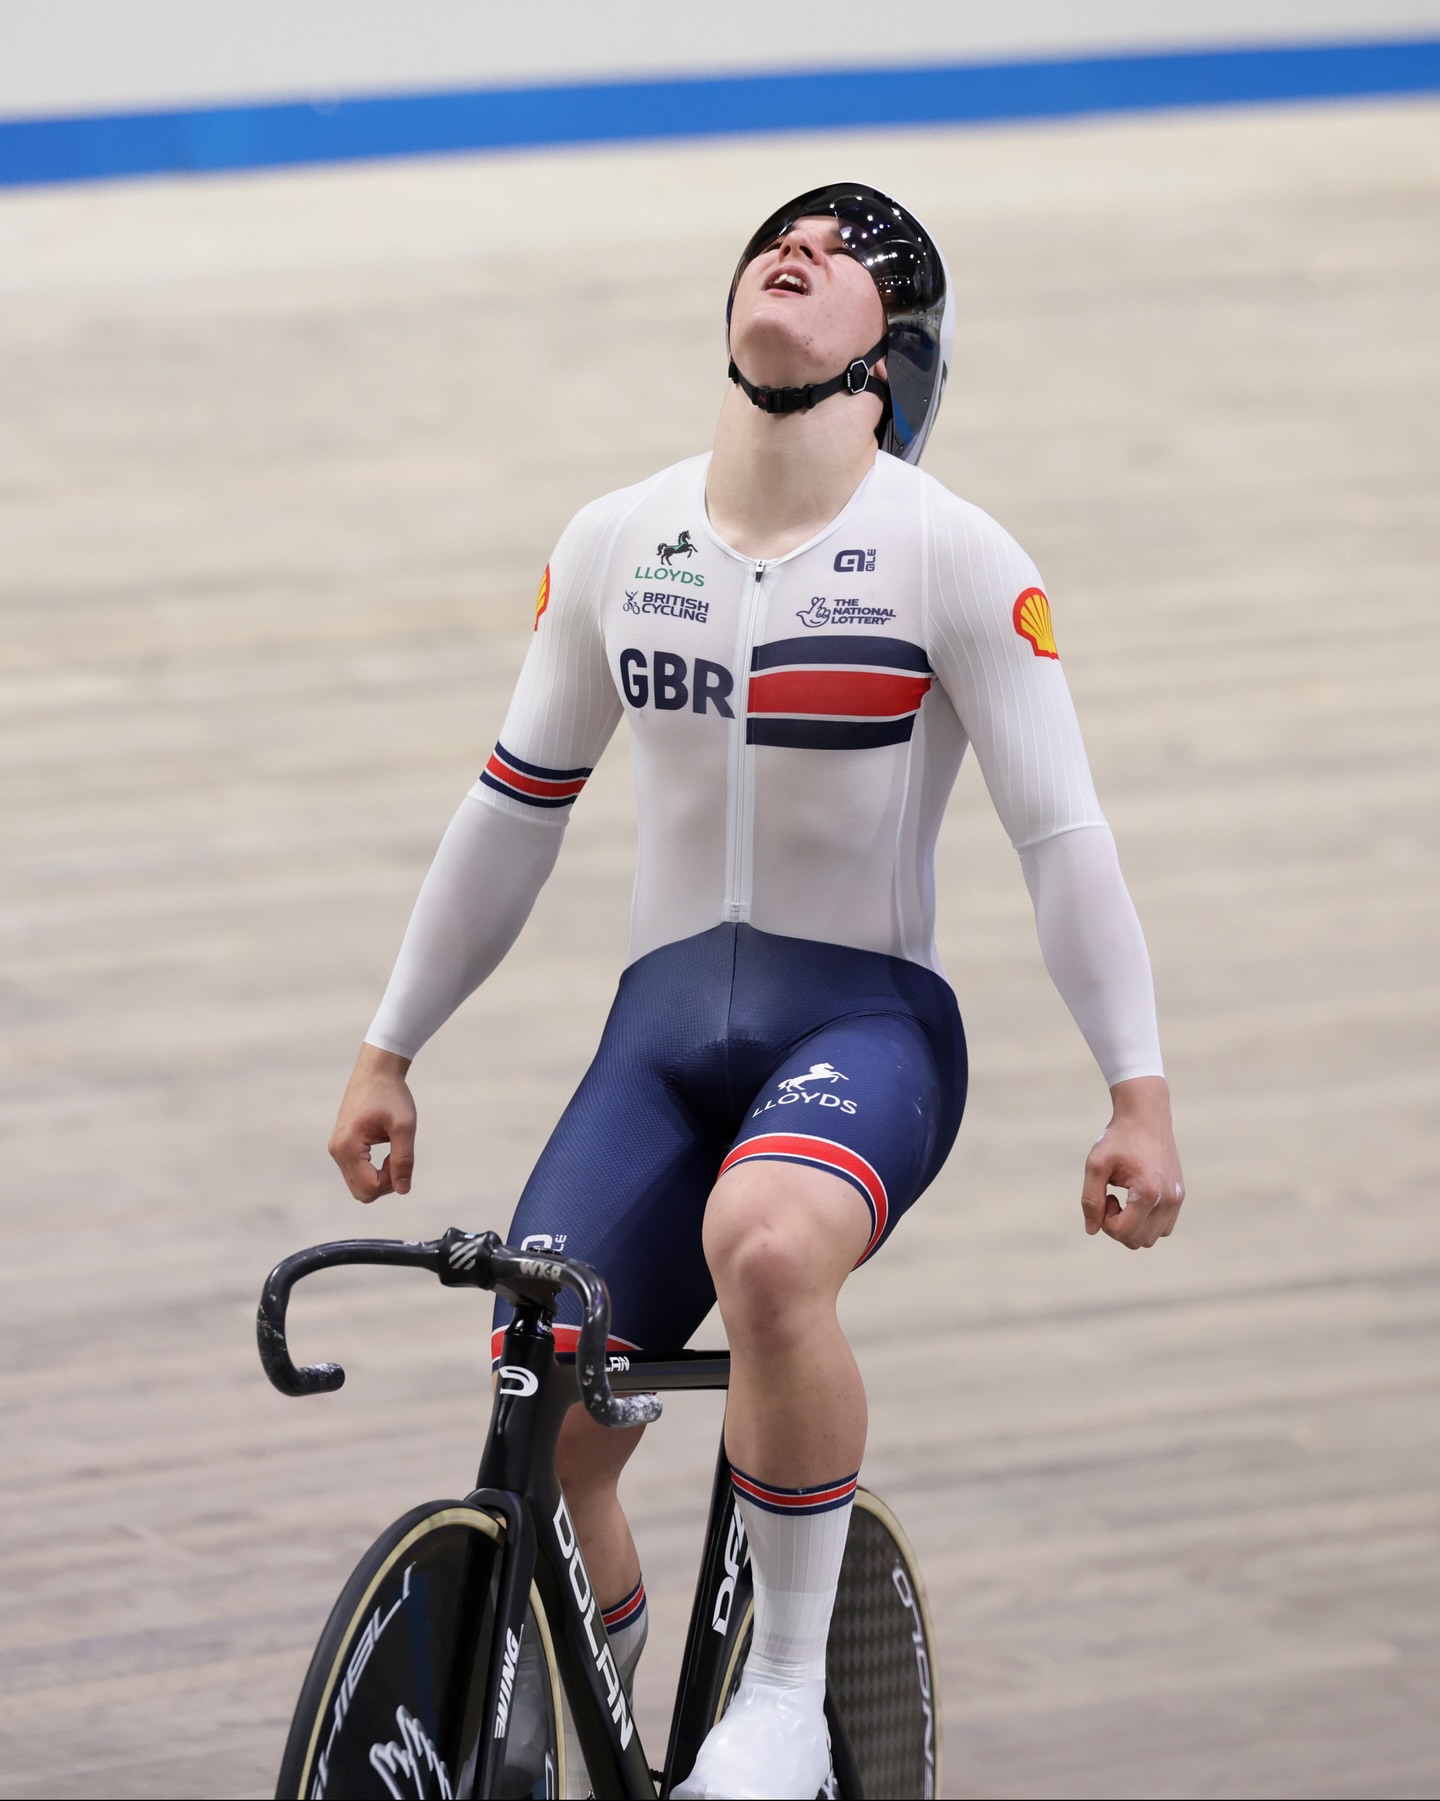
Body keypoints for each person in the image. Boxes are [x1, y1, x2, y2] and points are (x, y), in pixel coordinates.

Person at [329, 183, 1185, 1800]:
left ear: (892, 359)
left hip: (865, 1028)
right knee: (541, 1381)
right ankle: (589, 1700)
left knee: (769, 1243)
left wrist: (1135, 1089)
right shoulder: (616, 539)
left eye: (856, 253)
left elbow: (1062, 839)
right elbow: (513, 810)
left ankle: (785, 1692)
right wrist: (391, 1045)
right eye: (786, 233)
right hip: (656, 1045)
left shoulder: (952, 556)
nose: (804, 248)